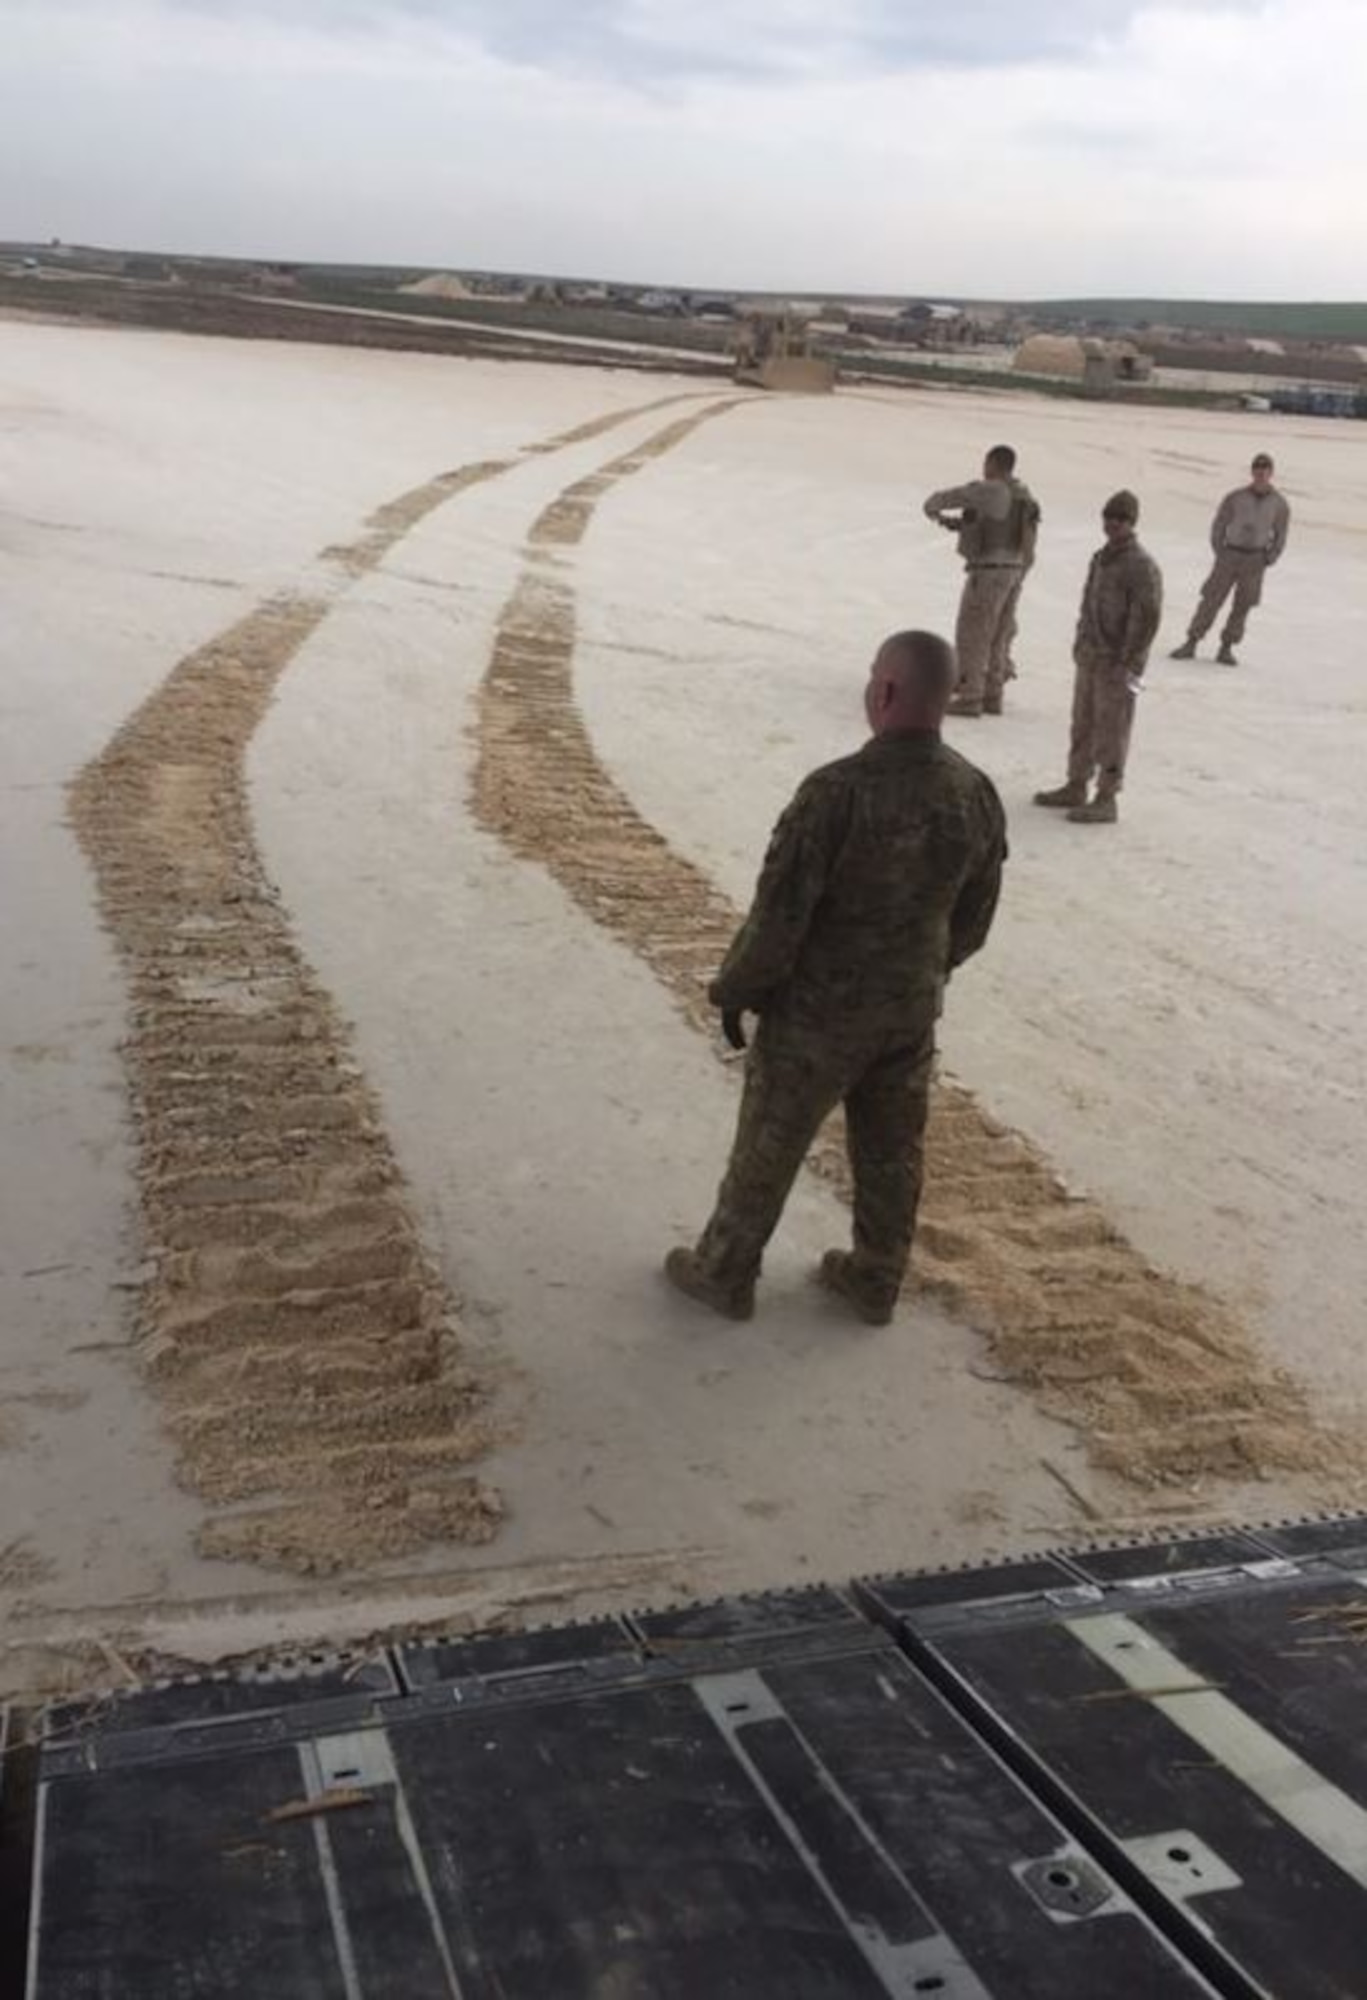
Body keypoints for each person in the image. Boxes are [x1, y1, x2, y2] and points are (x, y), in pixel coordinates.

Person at [663, 631, 1006, 1326]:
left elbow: (779, 915)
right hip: (909, 1011)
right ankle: (876, 1277)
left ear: (883, 691)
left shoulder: (834, 793)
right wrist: (924, 973)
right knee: (890, 1149)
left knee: (771, 1137)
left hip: (818, 1014)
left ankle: (724, 1271)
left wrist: (737, 990)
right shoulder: (973, 793)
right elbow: (974, 916)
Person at [1034, 490, 1162, 826]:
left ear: (1132, 523)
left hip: (1119, 664)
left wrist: (1128, 661)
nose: (1112, 524)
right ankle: (1076, 783)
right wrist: (1081, 642)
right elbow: (1088, 603)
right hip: (1092, 656)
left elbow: (1147, 618)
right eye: (1108, 517)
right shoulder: (1101, 558)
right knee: (1083, 723)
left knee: (1113, 729)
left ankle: (1106, 796)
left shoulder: (1141, 565)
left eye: (1120, 519)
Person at [923, 445, 1040, 717]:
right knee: (998, 634)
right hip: (1014, 570)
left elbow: (957, 496)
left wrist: (932, 506)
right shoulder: (1023, 495)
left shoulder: (993, 489)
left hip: (989, 571)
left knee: (973, 632)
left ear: (993, 463)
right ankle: (992, 694)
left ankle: (970, 696)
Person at [1170, 452, 1290, 665]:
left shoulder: (1279, 504)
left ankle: (1226, 648)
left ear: (1271, 473)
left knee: (1243, 605)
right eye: (1257, 468)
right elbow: (1219, 524)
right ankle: (1191, 642)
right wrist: (1220, 549)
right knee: (1211, 599)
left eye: (1265, 469)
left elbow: (1280, 534)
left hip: (1255, 560)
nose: (1261, 473)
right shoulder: (1235, 497)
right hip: (1230, 554)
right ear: (1252, 471)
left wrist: (1269, 557)